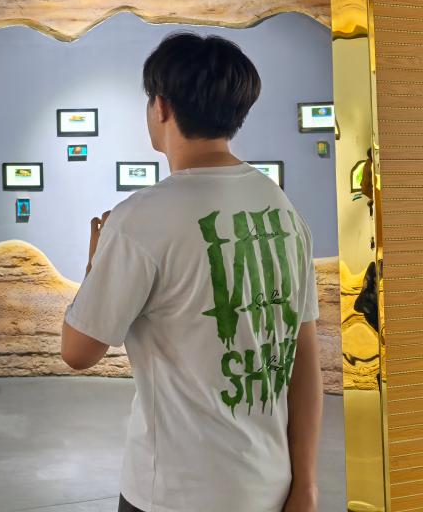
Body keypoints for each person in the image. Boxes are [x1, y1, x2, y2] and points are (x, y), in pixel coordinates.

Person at [61, 33, 322, 512]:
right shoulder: (283, 209)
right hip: (271, 485)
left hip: (173, 493)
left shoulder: (139, 219)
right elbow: (304, 358)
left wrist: (95, 265)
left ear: (160, 106)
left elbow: (78, 351)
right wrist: (305, 484)